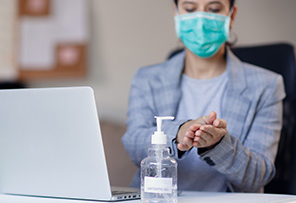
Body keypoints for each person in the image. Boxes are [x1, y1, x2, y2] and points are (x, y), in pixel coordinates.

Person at [122, 0, 285, 193]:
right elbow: (134, 144)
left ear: (231, 16)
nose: (200, 20)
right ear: (176, 12)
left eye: (214, 9)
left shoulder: (266, 85)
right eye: (190, 9)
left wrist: (218, 145)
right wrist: (179, 132)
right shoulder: (147, 79)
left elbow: (258, 176)